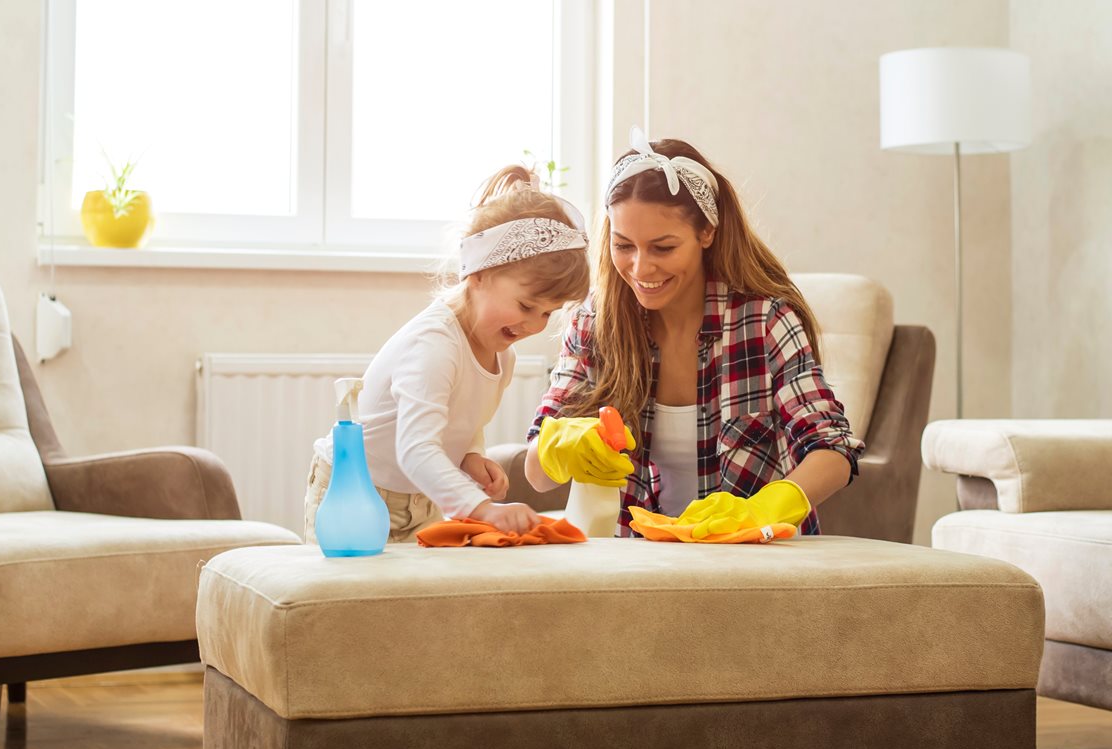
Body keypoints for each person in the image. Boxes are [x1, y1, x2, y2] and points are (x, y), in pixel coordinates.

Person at [525, 129, 864, 538]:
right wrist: (556, 444)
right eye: (623, 245)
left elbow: (833, 449)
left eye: (663, 247)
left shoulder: (765, 321)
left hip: (750, 564)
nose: (640, 268)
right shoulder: (595, 323)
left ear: (707, 233)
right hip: (635, 567)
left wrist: (766, 508)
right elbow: (536, 474)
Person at [305, 165, 591, 543]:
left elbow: (463, 418)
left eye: (548, 313)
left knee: (416, 600)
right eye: (526, 306)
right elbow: (416, 448)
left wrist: (470, 455)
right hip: (354, 493)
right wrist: (483, 508)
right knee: (347, 598)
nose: (536, 325)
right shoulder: (434, 345)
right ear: (479, 273)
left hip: (420, 497)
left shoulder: (501, 353)